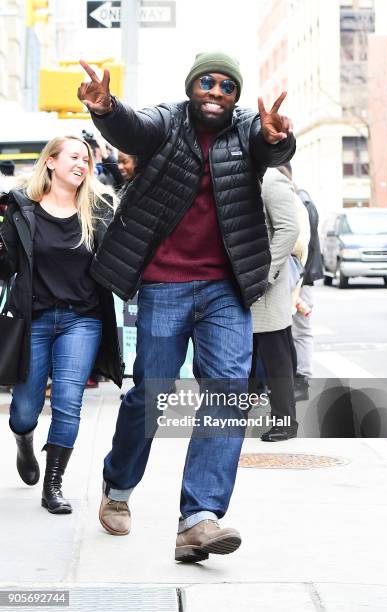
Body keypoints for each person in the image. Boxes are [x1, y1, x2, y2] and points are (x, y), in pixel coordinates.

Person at [77, 51, 295, 561]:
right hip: (164, 286)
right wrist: (106, 108)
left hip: (225, 288)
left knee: (226, 394)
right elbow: (133, 130)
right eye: (207, 83)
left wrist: (277, 137)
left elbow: (269, 151)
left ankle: (198, 518)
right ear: (191, 87)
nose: (216, 92)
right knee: (152, 398)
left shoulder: (248, 131)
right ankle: (119, 486)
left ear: (236, 96)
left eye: (226, 86)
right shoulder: (167, 121)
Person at [0, 136, 123, 514]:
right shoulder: (23, 210)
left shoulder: (99, 210)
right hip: (33, 320)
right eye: (74, 157)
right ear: (50, 162)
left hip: (81, 320)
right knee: (24, 409)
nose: (82, 164)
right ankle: (24, 439)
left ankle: (53, 485)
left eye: (86, 159)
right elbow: (6, 268)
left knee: (69, 403)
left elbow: (119, 259)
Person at [251, 166, 300, 442]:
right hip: (242, 288)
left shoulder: (271, 178)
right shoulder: (240, 174)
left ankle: (285, 422)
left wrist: (266, 274)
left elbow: (289, 229)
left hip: (267, 291)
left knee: (276, 360)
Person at [293, 188, 323, 401]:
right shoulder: (305, 199)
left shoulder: (299, 201)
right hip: (304, 275)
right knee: (300, 329)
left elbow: (305, 244)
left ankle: (302, 378)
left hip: (300, 276)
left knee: (300, 329)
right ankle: (301, 377)